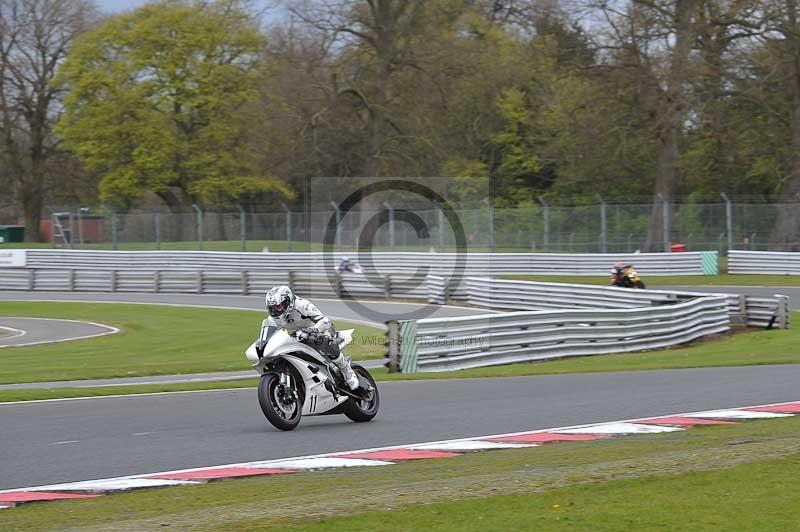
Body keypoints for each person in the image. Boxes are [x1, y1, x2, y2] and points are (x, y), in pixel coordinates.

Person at [264, 285, 359, 390]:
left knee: (322, 341)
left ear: (287, 302)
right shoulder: (273, 319)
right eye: (272, 308)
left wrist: (312, 330)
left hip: (320, 329)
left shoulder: (302, 305)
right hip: (297, 337)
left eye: (278, 307)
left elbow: (325, 321)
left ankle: (347, 370)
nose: (275, 311)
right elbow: (268, 334)